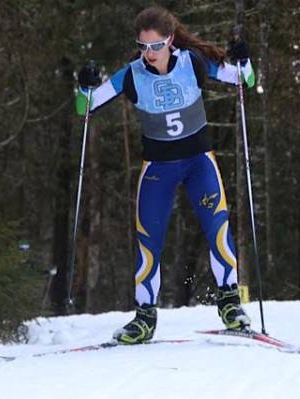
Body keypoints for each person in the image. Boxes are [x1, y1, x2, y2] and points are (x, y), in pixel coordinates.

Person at [76, 6, 255, 344]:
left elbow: (245, 80)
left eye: (156, 46)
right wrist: (83, 85)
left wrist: (244, 61)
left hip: (198, 162)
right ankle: (144, 318)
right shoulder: (132, 75)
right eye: (143, 47)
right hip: (157, 170)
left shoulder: (193, 63)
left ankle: (230, 305)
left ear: (170, 41)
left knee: (218, 228)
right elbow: (85, 105)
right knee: (148, 242)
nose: (149, 54)